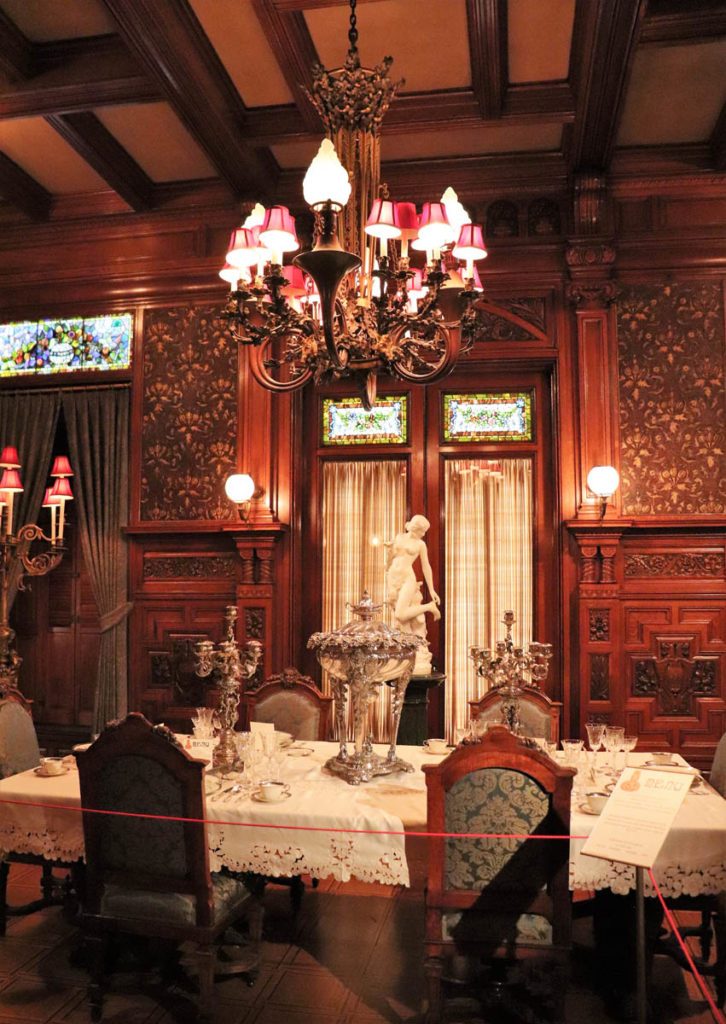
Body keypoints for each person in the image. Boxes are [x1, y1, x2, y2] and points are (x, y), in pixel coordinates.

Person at [385, 515, 440, 673]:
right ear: (415, 527)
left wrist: (431, 590)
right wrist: (389, 550)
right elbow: (389, 562)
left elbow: (426, 566)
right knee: (402, 622)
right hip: (393, 578)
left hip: (408, 579)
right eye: (422, 530)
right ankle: (409, 653)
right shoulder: (399, 538)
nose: (423, 534)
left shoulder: (420, 544)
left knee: (401, 615)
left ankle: (429, 607)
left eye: (424, 531)